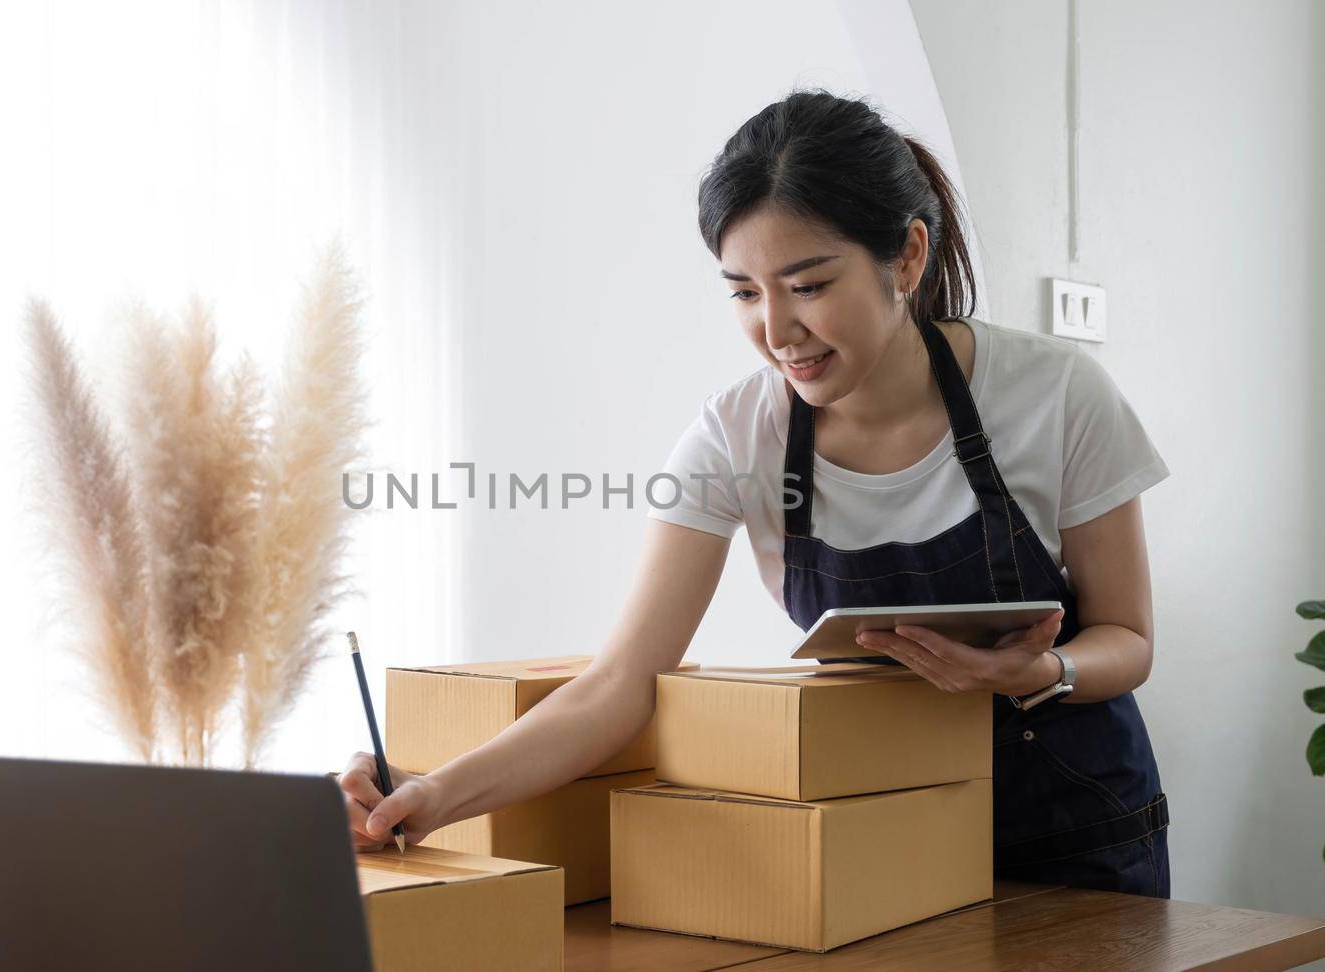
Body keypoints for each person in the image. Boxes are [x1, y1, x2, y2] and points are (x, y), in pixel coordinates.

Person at [336, 88, 1171, 898]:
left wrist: (1038, 669)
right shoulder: (737, 438)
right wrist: (433, 796)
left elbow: (1128, 638)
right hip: (884, 844)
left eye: (808, 285)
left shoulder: (1056, 394)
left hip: (1082, 834)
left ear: (907, 256)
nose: (776, 331)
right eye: (744, 292)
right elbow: (619, 683)